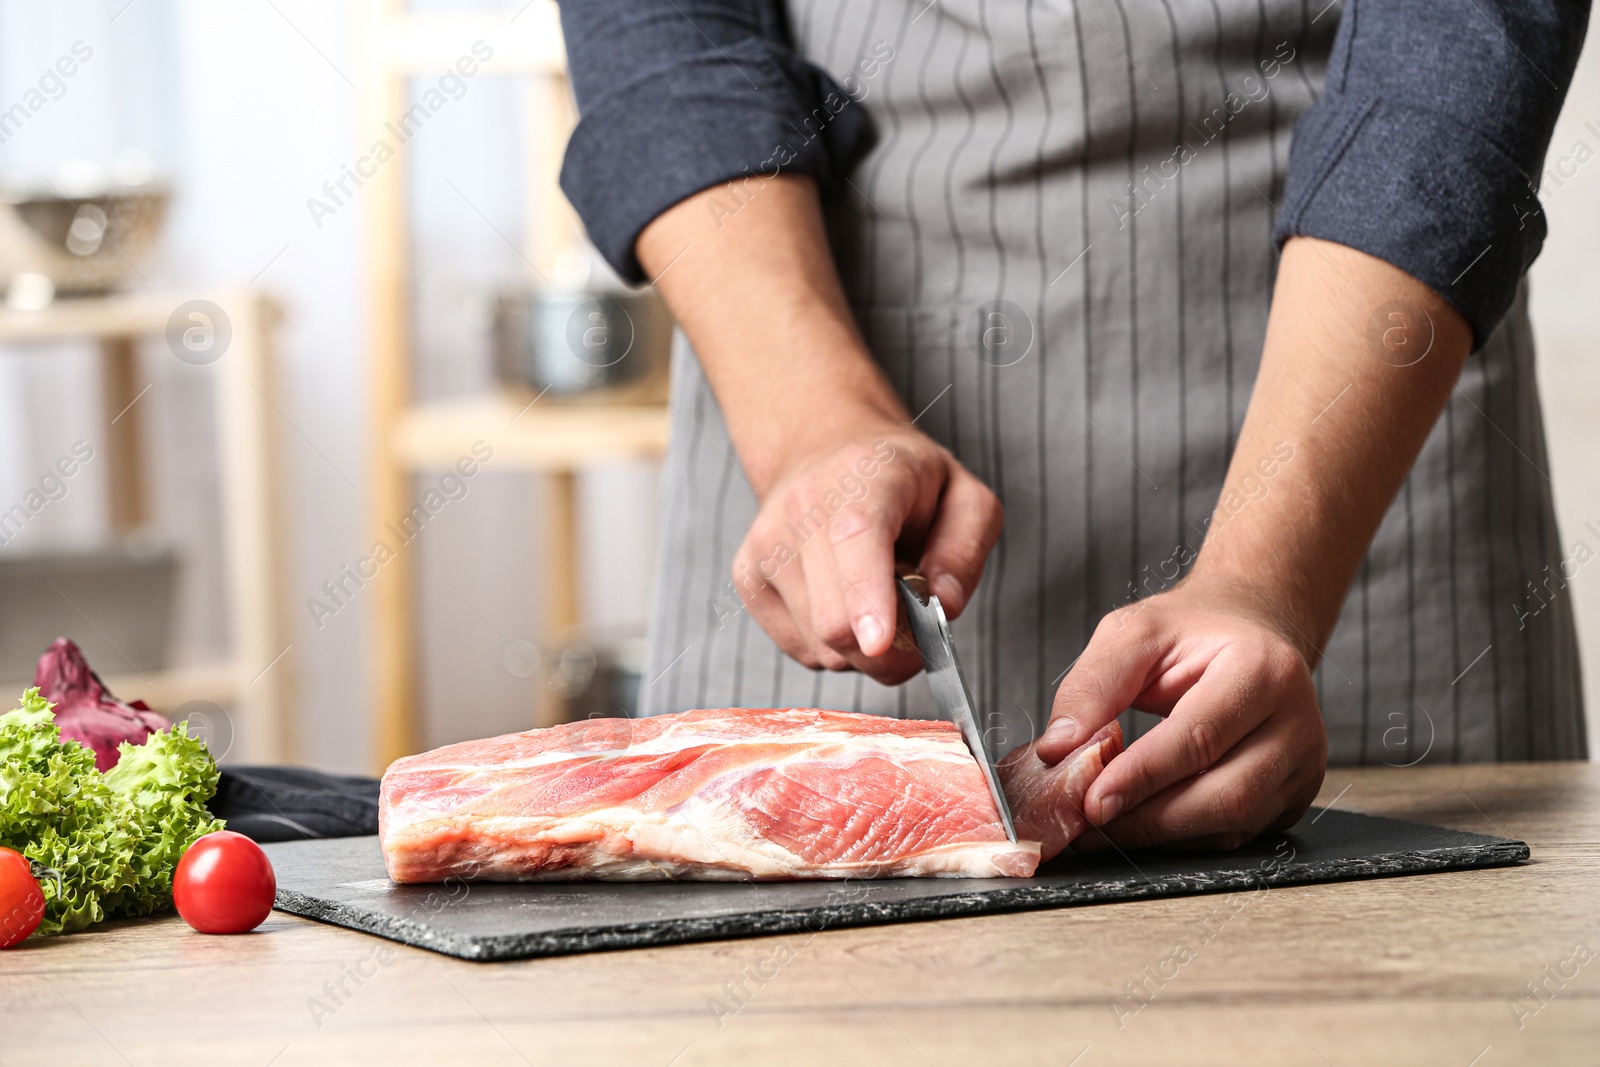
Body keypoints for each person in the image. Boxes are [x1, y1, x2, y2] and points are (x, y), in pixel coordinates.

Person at [554, 0, 1589, 851]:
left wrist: (1271, 578)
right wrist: (811, 426)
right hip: (801, 359)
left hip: (1368, 425)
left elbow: (1455, 44)